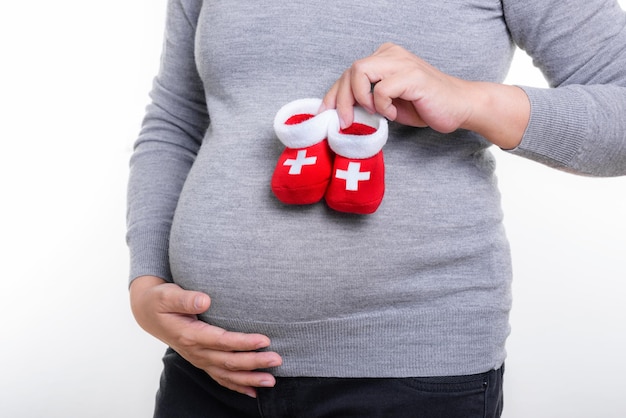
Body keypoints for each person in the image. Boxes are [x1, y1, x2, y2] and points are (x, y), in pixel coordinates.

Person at [126, 0, 626, 416]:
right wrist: (146, 282)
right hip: (208, 370)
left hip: (410, 379)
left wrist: (470, 99)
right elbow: (177, 118)